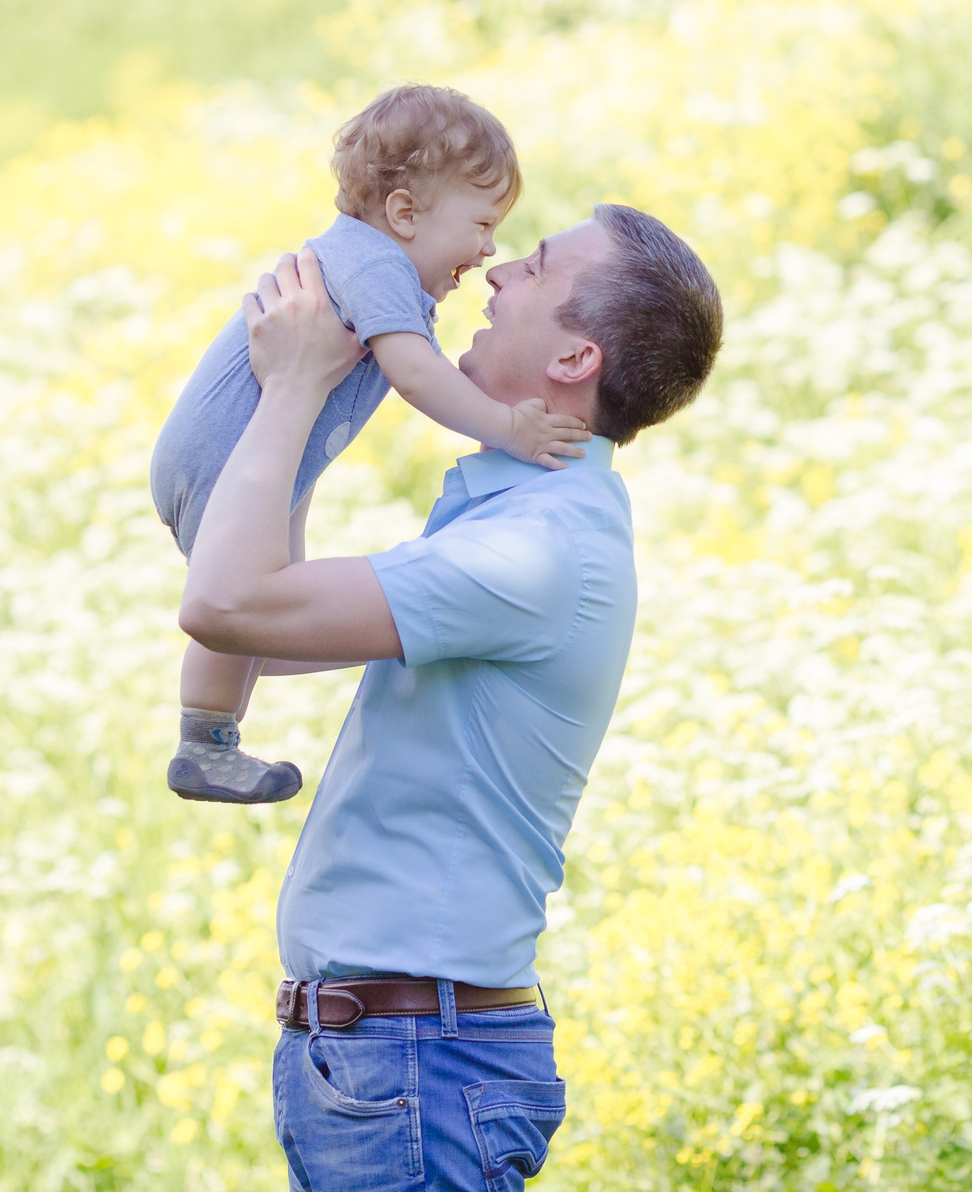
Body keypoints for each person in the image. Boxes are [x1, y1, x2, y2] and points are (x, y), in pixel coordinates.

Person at [178, 204, 722, 1190]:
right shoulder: (520, 516)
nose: (497, 273)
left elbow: (227, 605)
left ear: (572, 361)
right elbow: (267, 630)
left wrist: (294, 386)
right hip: (394, 1058)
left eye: (537, 267)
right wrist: (304, 399)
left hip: (415, 1066)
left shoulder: (536, 549)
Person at [150, 85, 589, 805]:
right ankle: (206, 739)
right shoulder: (377, 263)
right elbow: (417, 373)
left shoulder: (373, 263)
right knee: (244, 603)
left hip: (251, 454)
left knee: (269, 604)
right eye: (481, 224)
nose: (487, 251)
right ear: (405, 212)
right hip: (226, 456)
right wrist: (511, 426)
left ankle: (230, 715)